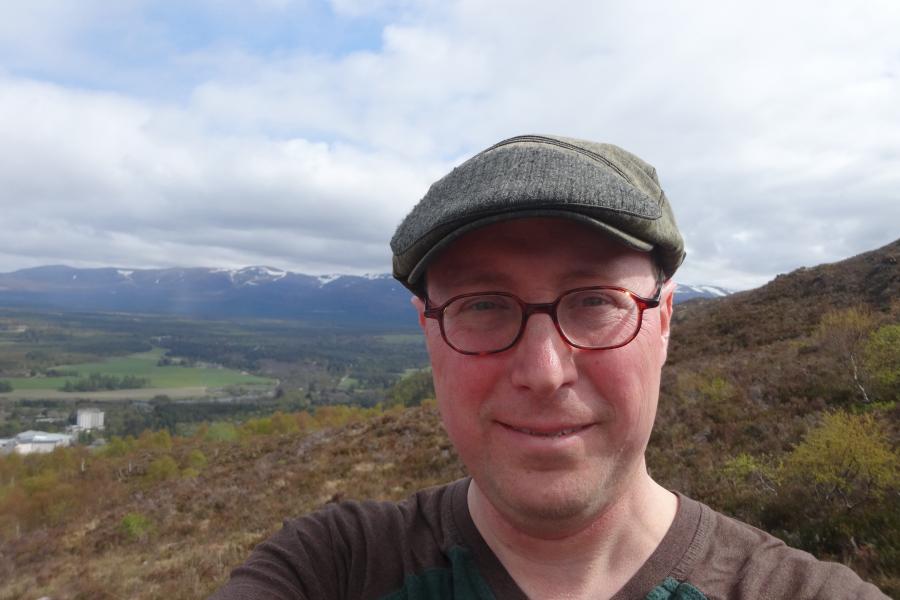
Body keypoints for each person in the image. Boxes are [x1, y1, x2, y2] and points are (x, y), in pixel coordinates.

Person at [211, 135, 888, 599]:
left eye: (596, 301)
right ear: (429, 330)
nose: (543, 370)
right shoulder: (337, 569)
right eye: (482, 304)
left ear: (664, 319)